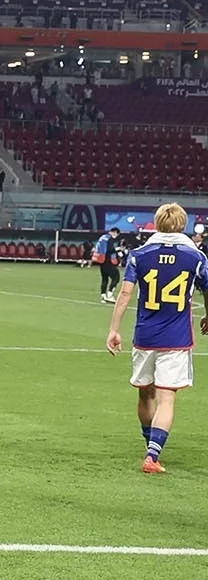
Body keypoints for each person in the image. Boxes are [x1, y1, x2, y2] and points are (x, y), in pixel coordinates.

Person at [106, 203, 208, 475]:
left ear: (157, 223)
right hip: (176, 338)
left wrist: (114, 329)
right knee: (166, 397)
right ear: (183, 224)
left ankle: (150, 443)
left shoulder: (139, 255)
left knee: (145, 392)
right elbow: (207, 288)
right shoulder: (196, 257)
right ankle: (152, 454)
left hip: (145, 335)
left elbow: (125, 294)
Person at [91, 226, 120, 302]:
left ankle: (103, 296)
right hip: (107, 261)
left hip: (101, 260)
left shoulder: (102, 237)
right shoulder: (109, 239)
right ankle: (110, 295)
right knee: (116, 277)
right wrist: (117, 250)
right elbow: (109, 249)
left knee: (104, 279)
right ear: (115, 232)